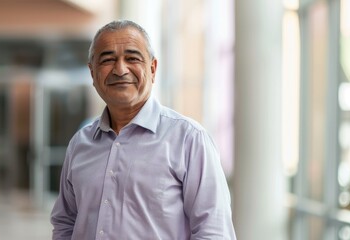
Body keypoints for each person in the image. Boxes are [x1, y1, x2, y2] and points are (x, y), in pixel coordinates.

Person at [50, 20, 236, 240]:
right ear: (92, 73)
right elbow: (66, 222)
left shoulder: (189, 140)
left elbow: (213, 231)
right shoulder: (80, 143)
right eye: (108, 59)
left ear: (153, 68)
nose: (120, 69)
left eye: (132, 58)